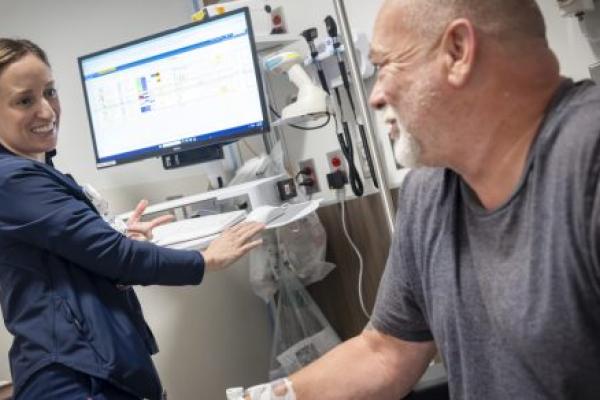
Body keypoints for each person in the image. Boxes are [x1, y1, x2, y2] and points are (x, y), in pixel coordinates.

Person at [240, 0, 600, 399]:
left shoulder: (586, 165)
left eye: (386, 65)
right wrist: (270, 397)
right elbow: (385, 351)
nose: (375, 97)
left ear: (458, 51)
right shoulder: (429, 191)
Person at [0, 38, 265, 400]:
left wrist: (115, 232)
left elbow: (66, 254)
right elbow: (117, 258)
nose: (47, 111)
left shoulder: (34, 173)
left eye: (50, 92)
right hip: (75, 377)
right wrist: (205, 260)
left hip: (93, 363)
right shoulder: (12, 180)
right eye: (25, 100)